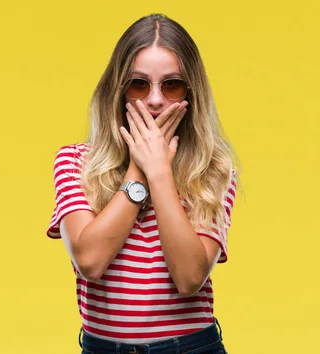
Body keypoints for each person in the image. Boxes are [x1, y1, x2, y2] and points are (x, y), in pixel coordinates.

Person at [46, 13, 239, 354]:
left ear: (190, 93)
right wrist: (140, 168)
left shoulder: (212, 169)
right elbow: (90, 261)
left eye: (171, 84)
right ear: (118, 90)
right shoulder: (76, 163)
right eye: (139, 83)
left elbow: (189, 278)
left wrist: (161, 173)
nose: (153, 100)